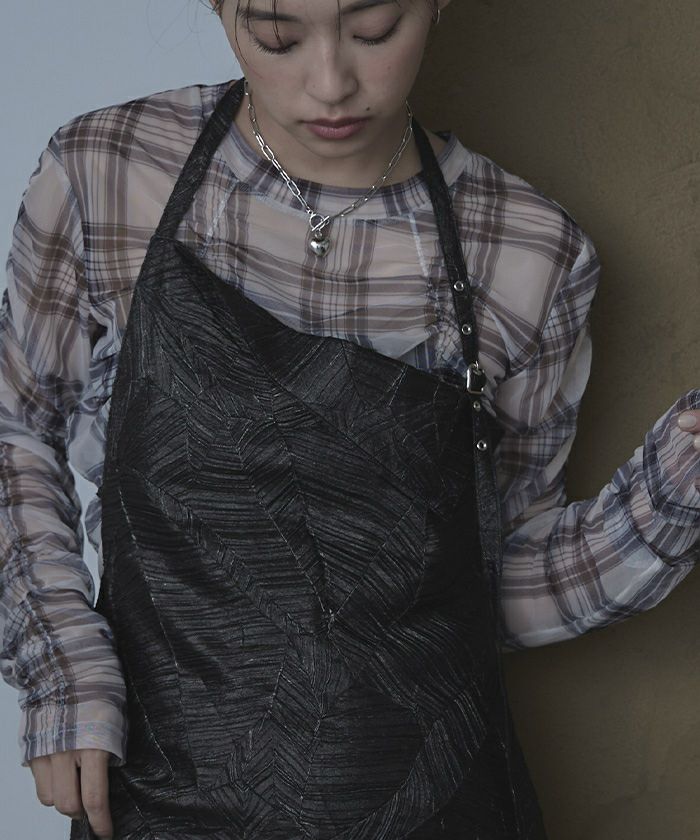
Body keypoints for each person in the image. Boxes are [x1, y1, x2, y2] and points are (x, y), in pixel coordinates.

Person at [1, 0, 698, 837]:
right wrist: (61, 667)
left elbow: (492, 582)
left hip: (439, 809)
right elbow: (15, 430)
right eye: (278, 36)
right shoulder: (107, 173)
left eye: (374, 31)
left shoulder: (528, 252)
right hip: (162, 801)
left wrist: (672, 492)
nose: (331, 84)